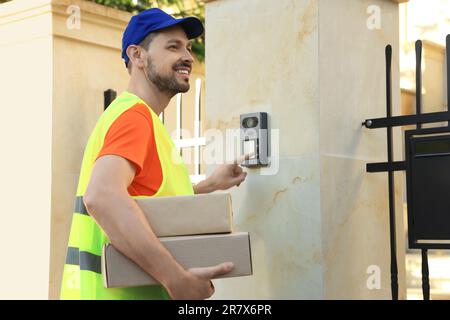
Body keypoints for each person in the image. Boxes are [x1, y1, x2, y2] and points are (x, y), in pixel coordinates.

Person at [60, 8, 249, 300]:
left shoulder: (132, 116)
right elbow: (102, 196)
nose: (187, 56)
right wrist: (176, 279)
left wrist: (208, 185)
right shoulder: (135, 117)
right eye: (173, 47)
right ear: (137, 56)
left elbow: (143, 201)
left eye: (187, 47)